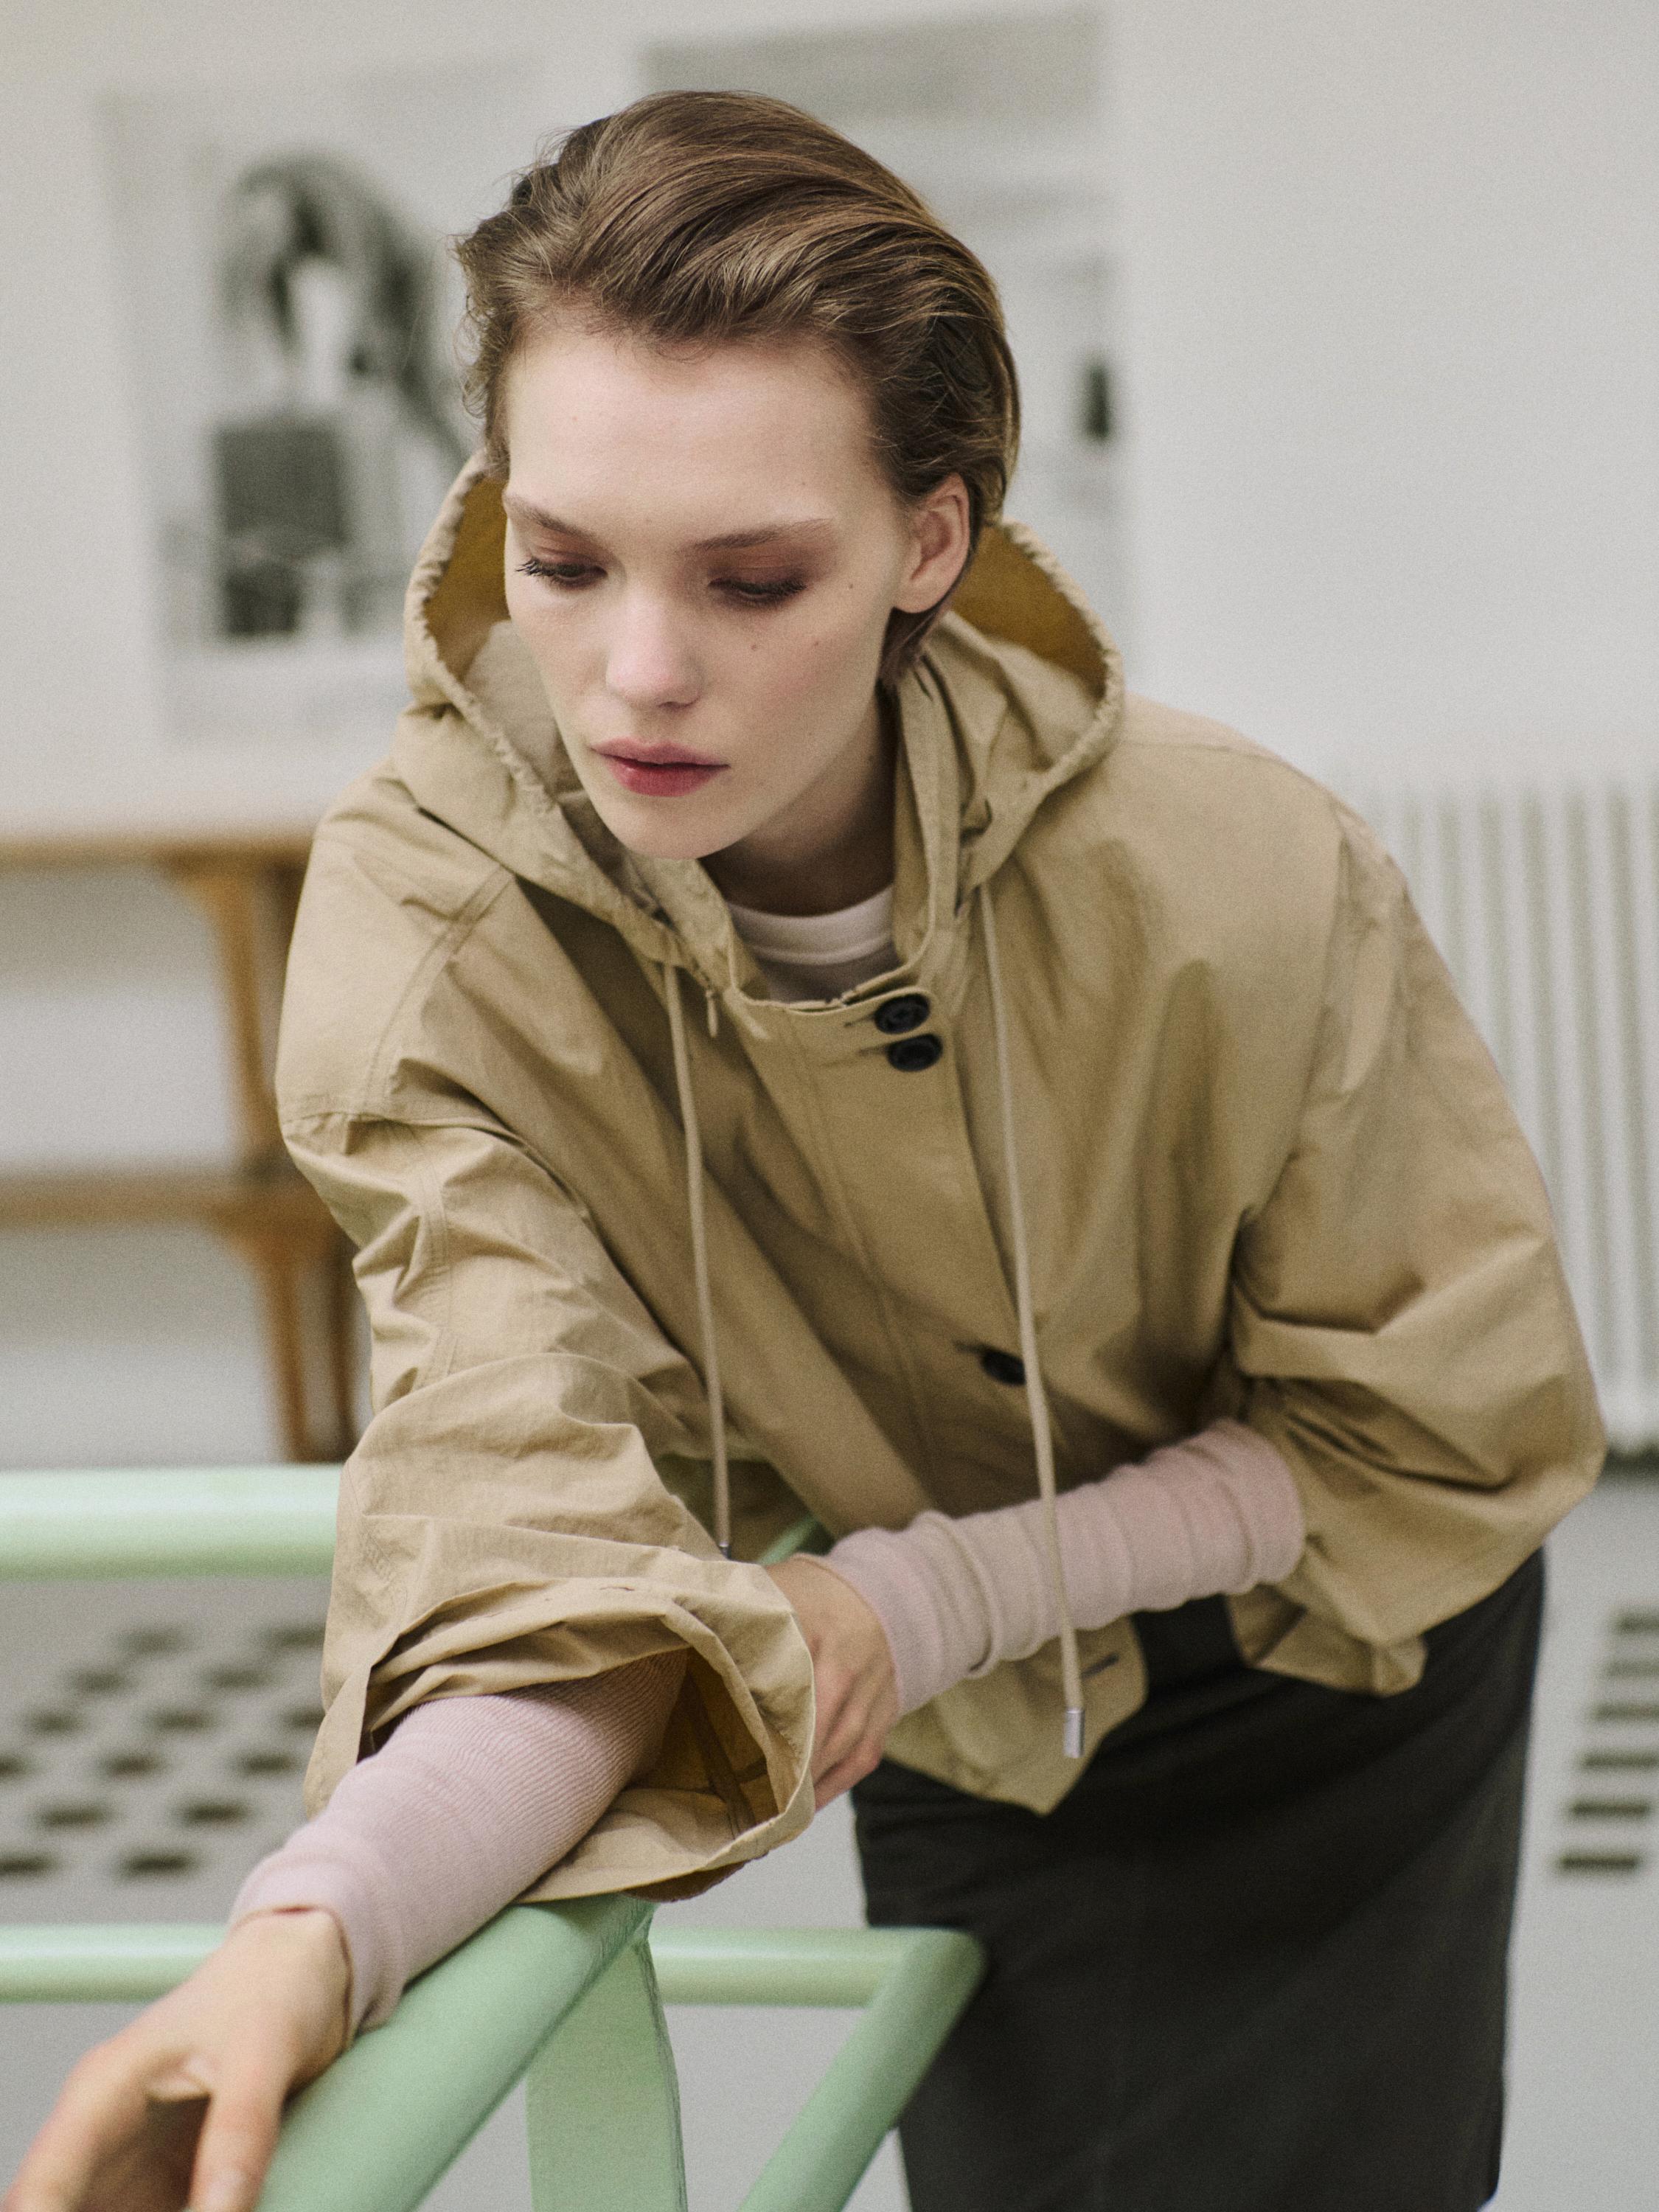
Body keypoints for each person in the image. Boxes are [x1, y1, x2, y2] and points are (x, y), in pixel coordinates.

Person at [7, 89, 1604, 2212]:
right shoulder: (433, 935)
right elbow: (534, 1549)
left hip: (1332, 1658)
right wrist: (312, 1933)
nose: (638, 676)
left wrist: (916, 1593)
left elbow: (1418, 1439)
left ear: (931, 544)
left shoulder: (1238, 866)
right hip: (955, 1712)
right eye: (560, 564)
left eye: (753, 580)